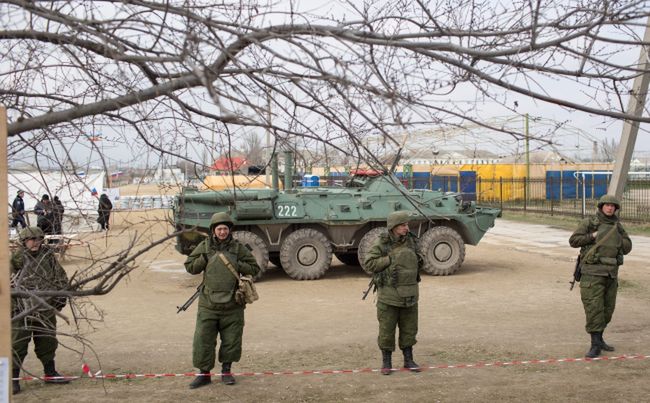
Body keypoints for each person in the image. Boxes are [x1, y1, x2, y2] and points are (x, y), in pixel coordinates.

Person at [184, 212, 260, 388]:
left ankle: (226, 371)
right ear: (213, 230)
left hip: (233, 304)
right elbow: (190, 266)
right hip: (208, 304)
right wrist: (204, 258)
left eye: (225, 228)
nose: (222, 232)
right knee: (203, 339)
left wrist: (237, 264)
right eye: (219, 229)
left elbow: (254, 268)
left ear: (229, 230)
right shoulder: (204, 246)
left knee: (231, 339)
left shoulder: (238, 248)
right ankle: (204, 374)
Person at [569, 195, 632, 358]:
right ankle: (595, 344)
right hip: (592, 274)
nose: (610, 208)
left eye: (613, 206)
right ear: (601, 206)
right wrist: (593, 235)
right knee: (594, 309)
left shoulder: (617, 226)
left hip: (611, 274)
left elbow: (627, 247)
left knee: (607, 310)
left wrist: (619, 238)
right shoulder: (590, 223)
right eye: (607, 206)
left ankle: (600, 339)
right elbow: (574, 240)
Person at [10, 226, 70, 395]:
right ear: (23, 241)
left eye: (38, 239)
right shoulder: (16, 259)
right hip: (22, 311)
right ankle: (13, 380)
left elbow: (60, 277)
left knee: (48, 341)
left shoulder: (47, 256)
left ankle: (50, 373)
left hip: (45, 308)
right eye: (31, 239)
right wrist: (13, 308)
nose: (35, 242)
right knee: (17, 345)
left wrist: (59, 299)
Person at [363, 210, 423, 375]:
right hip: (389, 296)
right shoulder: (382, 243)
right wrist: (390, 258)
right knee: (387, 330)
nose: (406, 228)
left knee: (409, 329)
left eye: (406, 224)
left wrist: (416, 259)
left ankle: (409, 360)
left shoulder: (412, 241)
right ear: (393, 227)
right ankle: (386, 362)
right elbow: (369, 263)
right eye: (403, 225)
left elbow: (422, 259)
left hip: (410, 293)